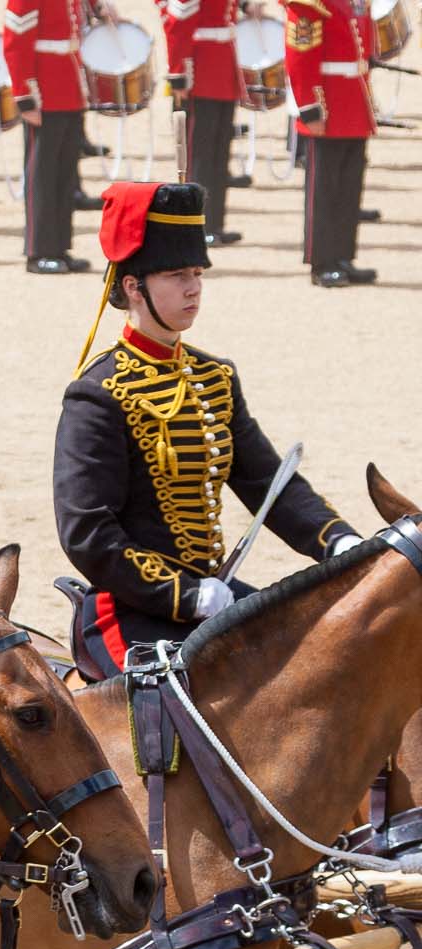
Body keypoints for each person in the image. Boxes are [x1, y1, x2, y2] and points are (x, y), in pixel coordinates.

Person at [55, 182, 361, 678]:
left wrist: (338, 543)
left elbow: (266, 481)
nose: (193, 288)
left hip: (217, 596)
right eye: (177, 275)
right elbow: (87, 531)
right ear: (134, 287)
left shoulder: (214, 378)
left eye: (197, 273)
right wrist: (184, 594)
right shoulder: (98, 393)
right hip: (134, 611)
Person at [5, 0, 109, 272]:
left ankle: (60, 247)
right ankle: (38, 251)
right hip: (45, 90)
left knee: (64, 176)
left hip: (68, 86)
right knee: (43, 175)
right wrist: (24, 96)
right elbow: (15, 40)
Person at [285, 0, 377, 285]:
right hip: (329, 103)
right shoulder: (308, 4)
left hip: (353, 101)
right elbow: (301, 58)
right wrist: (311, 107)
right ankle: (322, 262)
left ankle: (343, 256)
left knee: (348, 187)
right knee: (324, 190)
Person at [159, 0, 255, 244]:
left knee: (219, 152)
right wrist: (179, 73)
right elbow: (177, 20)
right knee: (200, 155)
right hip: (201, 68)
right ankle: (196, 225)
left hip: (222, 63)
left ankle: (213, 223)